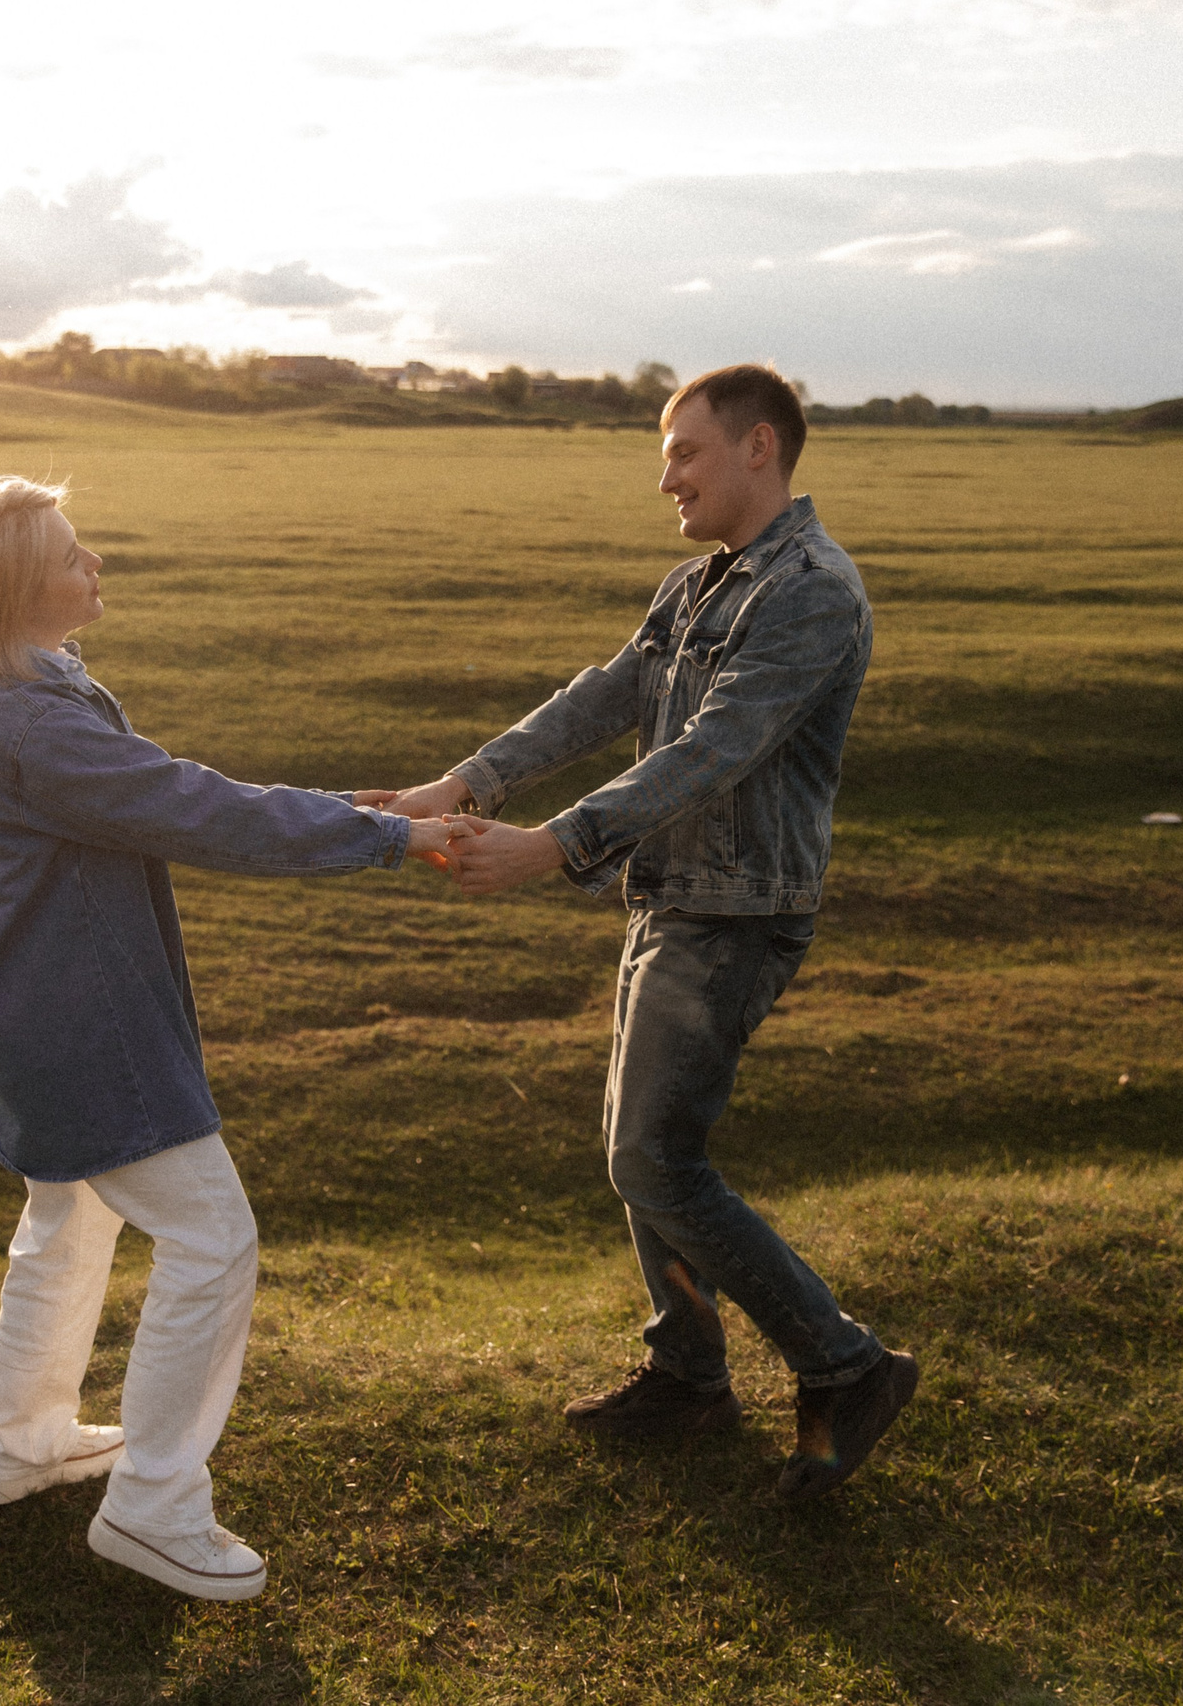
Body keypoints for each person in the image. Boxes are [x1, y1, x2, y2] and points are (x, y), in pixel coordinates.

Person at [0, 475, 456, 1598]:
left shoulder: (24, 696)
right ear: (10, 590)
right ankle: (153, 1507)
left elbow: (169, 795)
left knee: (69, 1221)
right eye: (72, 555)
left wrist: (360, 814)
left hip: (36, 1016)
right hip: (89, 1028)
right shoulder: (32, 722)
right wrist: (384, 838)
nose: (95, 567)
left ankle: (24, 1442)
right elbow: (198, 809)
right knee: (213, 1240)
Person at [393, 364, 917, 1502]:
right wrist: (466, 783)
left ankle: (845, 1364)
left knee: (653, 1158)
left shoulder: (813, 590)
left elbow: (715, 749)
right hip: (670, 898)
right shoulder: (697, 585)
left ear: (758, 448)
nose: (667, 478)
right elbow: (607, 695)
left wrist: (551, 844)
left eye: (684, 452)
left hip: (735, 914)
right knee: (647, 1160)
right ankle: (687, 1374)